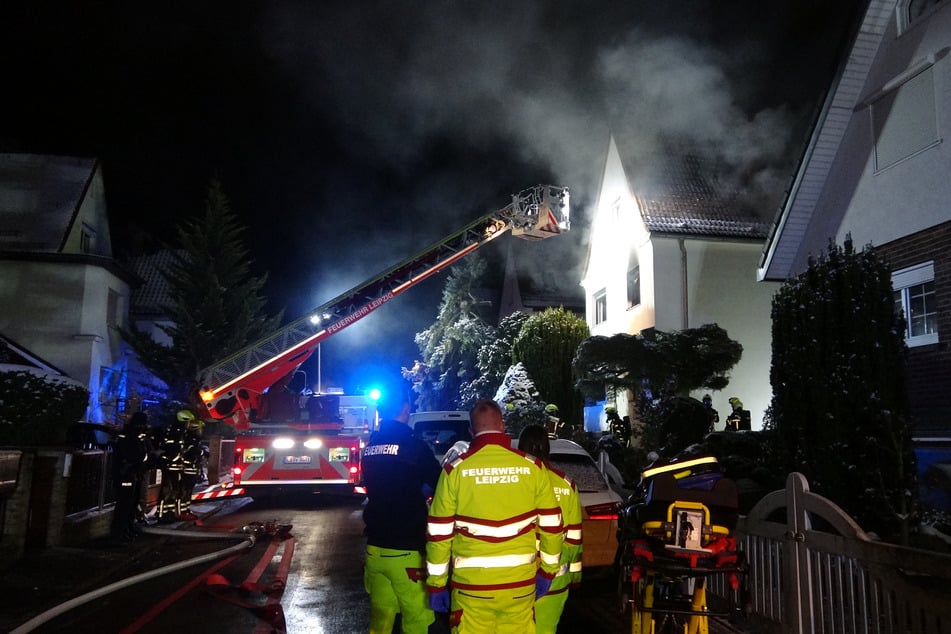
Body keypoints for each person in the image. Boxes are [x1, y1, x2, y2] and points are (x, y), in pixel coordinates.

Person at [426, 398, 563, 633]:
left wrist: (437, 585)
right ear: (502, 425)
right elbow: (552, 525)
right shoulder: (533, 467)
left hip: (472, 590)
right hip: (520, 588)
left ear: (471, 431)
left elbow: (439, 534)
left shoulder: (454, 471)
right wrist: (548, 571)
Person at [361, 392, 442, 634]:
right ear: (405, 409)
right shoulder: (412, 445)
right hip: (406, 549)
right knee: (417, 619)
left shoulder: (372, 445)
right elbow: (439, 482)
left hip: (375, 548)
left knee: (381, 618)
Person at [517, 425, 583, 634]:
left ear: (520, 449)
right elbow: (574, 539)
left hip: (516, 579)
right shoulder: (566, 484)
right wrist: (574, 576)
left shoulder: (514, 483)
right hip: (555, 580)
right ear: (548, 449)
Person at [111, 411, 152, 544]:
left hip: (134, 475)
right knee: (124, 507)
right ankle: (118, 535)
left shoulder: (136, 436)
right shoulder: (129, 437)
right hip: (126, 476)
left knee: (131, 506)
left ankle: (127, 530)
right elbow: (135, 456)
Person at [157, 411, 187, 521]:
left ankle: (170, 513)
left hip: (175, 468)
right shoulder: (175, 434)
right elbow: (172, 452)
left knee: (174, 492)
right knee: (166, 492)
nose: (188, 425)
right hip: (170, 468)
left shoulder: (180, 433)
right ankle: (162, 515)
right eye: (187, 422)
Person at [177, 411, 206, 522]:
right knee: (184, 492)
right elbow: (190, 455)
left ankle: (185, 510)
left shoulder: (195, 441)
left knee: (188, 493)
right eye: (199, 429)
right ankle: (181, 512)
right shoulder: (190, 441)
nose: (201, 431)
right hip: (186, 471)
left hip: (192, 470)